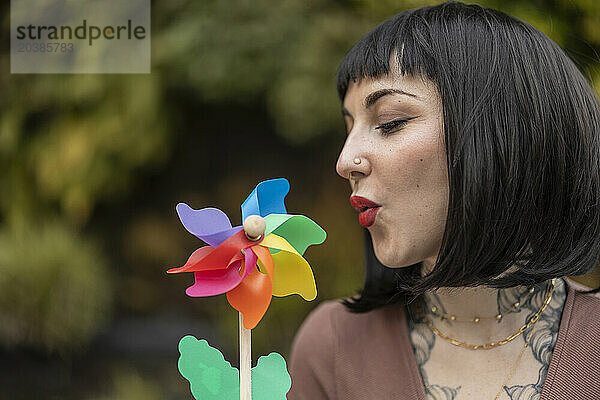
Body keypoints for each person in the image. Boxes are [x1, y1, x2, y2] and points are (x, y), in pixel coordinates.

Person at [286, 2, 600, 399]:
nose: (345, 162)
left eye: (389, 122)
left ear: (505, 133)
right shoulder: (331, 346)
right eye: (349, 129)